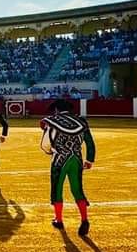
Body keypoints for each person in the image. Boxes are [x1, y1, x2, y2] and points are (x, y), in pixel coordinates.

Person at [39, 99, 96, 236]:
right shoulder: (81, 122)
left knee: (57, 189)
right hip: (76, 159)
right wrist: (89, 160)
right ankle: (84, 219)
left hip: (59, 159)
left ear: (57, 110)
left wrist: (50, 152)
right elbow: (89, 142)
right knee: (77, 189)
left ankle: (59, 219)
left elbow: (45, 144)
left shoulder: (52, 122)